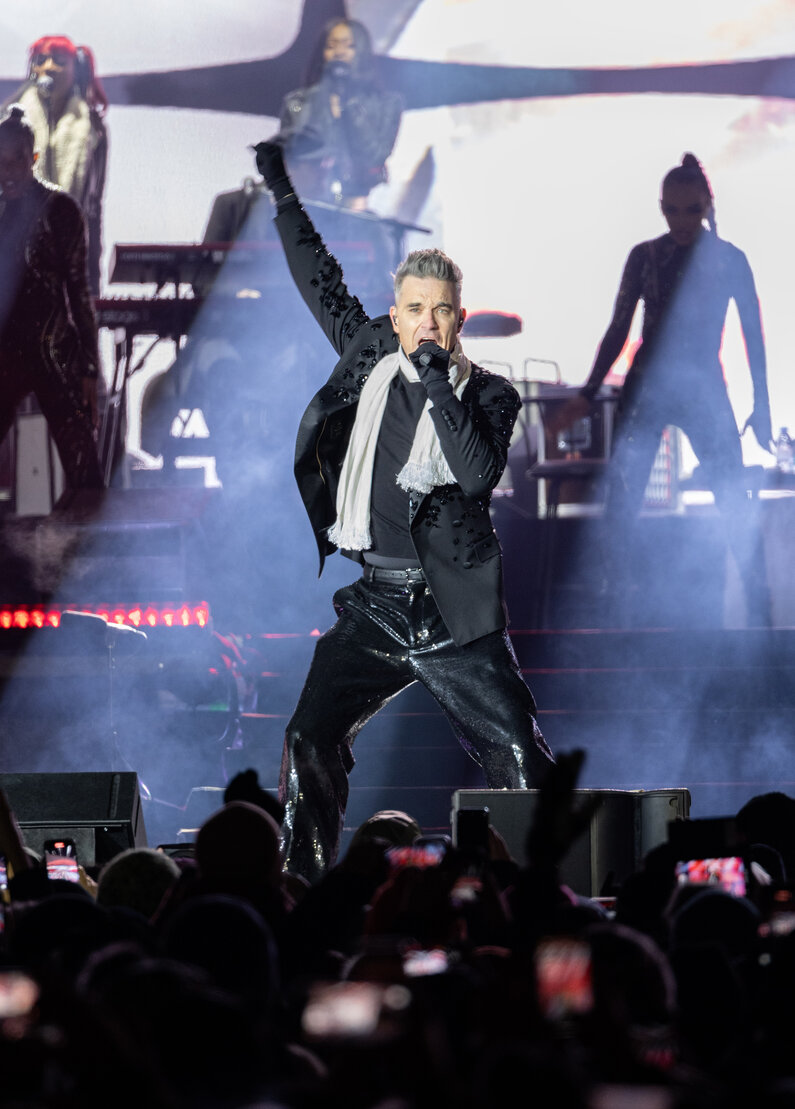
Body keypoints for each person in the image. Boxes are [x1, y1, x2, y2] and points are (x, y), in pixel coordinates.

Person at [253, 139, 555, 885]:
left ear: (459, 319)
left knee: (517, 753)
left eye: (440, 313)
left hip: (453, 613)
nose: (426, 324)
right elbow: (317, 278)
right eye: (414, 311)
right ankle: (302, 888)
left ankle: (538, 887)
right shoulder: (366, 353)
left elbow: (475, 473)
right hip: (376, 607)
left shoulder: (487, 393)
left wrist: (436, 384)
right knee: (309, 735)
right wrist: (283, 195)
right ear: (395, 315)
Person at [554, 152, 773, 625]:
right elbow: (618, 329)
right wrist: (589, 392)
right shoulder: (645, 256)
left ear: (707, 205)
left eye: (691, 210)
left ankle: (762, 617)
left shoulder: (730, 261)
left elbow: (753, 336)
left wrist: (763, 404)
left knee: (733, 501)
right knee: (622, 506)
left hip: (701, 389)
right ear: (661, 208)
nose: (680, 221)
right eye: (671, 210)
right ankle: (610, 617)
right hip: (647, 389)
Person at [0, 104, 103, 493]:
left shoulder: (60, 209)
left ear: (34, 159)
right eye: (0, 162)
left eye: (16, 161)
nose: (7, 172)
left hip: (53, 351)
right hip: (5, 354)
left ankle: (93, 546)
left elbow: (79, 292)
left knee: (84, 472)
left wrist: (90, 367)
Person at [12, 35, 108, 294]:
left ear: (76, 69)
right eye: (41, 60)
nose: (49, 68)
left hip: (71, 254)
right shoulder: (9, 125)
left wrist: (92, 282)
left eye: (59, 60)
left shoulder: (93, 128)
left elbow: (93, 207)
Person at [279, 17, 402, 211]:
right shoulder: (299, 102)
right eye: (331, 46)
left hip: (363, 199)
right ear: (322, 54)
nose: (339, 52)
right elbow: (292, 156)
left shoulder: (387, 104)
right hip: (310, 202)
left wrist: (350, 106)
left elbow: (375, 155)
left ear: (362, 53)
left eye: (349, 46)